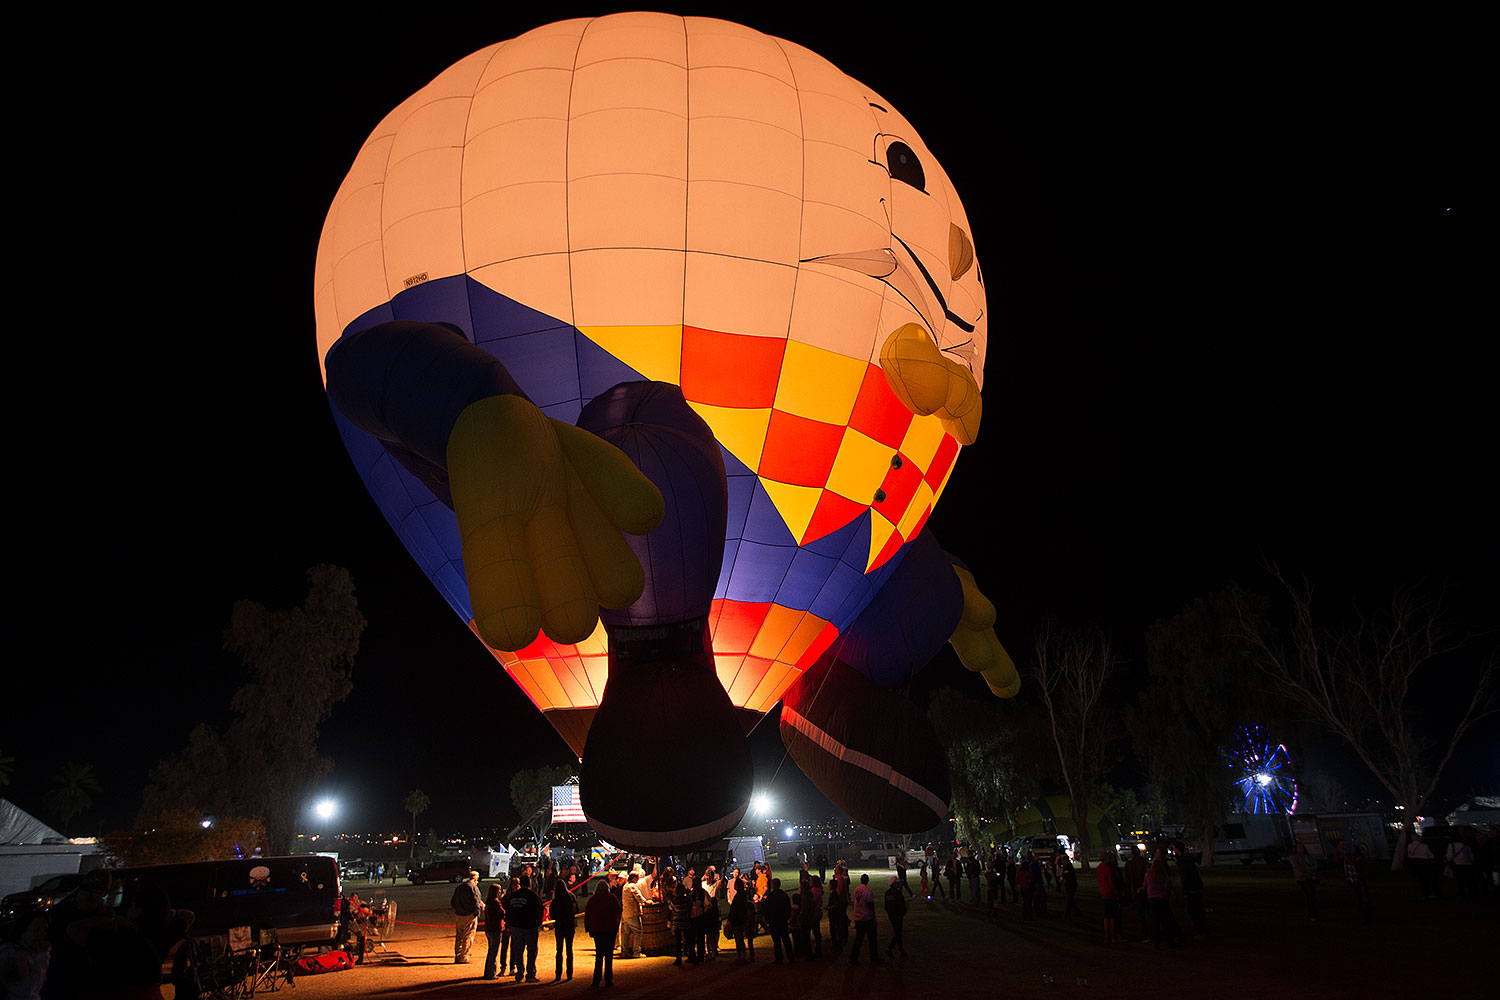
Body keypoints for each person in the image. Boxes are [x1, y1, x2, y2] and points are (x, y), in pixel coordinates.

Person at [0, 907, 49, 1000]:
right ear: (23, 929)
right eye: (37, 929)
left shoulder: (29, 951)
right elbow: (26, 991)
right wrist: (43, 956)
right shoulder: (10, 954)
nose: (42, 934)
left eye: (44, 929)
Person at [504, 873, 544, 981]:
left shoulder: (514, 896)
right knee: (531, 951)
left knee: (518, 951)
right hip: (530, 927)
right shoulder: (533, 895)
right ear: (529, 883)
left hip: (516, 927)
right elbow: (540, 910)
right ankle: (530, 974)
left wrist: (509, 923)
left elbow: (508, 911)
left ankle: (519, 973)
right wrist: (538, 923)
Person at [584, 875, 622, 988]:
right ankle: (608, 979)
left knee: (599, 956)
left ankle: (596, 980)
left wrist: (588, 928)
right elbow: (618, 910)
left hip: (598, 930)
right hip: (610, 929)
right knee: (608, 956)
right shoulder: (612, 898)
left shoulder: (593, 900)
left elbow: (588, 915)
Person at [1144, 850, 1185, 949]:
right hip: (1162, 899)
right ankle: (1170, 940)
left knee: (1155, 921)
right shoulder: (1163, 875)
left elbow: (1145, 886)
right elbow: (1168, 885)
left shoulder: (1148, 875)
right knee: (1166, 921)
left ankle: (1156, 942)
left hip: (1152, 900)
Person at [1170, 841, 1204, 937]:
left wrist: (1185, 890)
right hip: (1196, 886)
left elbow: (1185, 877)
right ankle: (1201, 929)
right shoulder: (1187, 859)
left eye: (1174, 848)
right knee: (1198, 909)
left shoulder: (1182, 862)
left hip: (1191, 888)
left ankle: (1199, 931)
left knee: (1193, 910)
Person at [451, 870, 482, 965]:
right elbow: (476, 902)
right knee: (468, 935)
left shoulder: (459, 887)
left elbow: (453, 902)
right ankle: (464, 956)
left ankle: (458, 954)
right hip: (469, 915)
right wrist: (477, 914)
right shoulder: (474, 888)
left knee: (459, 935)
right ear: (476, 878)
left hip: (459, 914)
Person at [848, 873, 880, 966]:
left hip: (858, 917)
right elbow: (871, 906)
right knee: (872, 939)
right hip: (867, 918)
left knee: (859, 938)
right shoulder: (868, 891)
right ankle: (874, 957)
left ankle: (853, 956)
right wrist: (874, 918)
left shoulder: (856, 890)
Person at [762, 878, 794, 964]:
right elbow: (788, 908)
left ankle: (779, 958)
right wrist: (787, 918)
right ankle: (790, 957)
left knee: (777, 941)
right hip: (782, 920)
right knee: (786, 939)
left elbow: (766, 909)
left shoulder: (771, 896)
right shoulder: (784, 895)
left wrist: (767, 919)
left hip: (774, 921)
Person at [552, 879, 578, 981]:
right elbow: (576, 909)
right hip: (569, 925)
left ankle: (558, 974)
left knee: (559, 950)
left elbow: (552, 914)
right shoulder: (571, 896)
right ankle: (569, 973)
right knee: (569, 950)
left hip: (559, 925)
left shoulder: (556, 900)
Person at [1341, 843, 1373, 924]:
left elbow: (1356, 866)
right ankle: (1365, 917)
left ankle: (1368, 917)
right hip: (1354, 881)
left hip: (1359, 881)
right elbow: (1347, 870)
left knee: (1364, 900)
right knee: (1359, 900)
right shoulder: (1348, 858)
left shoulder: (1358, 859)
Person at [1097, 852, 1124, 943]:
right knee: (1112, 916)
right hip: (1110, 894)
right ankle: (1113, 936)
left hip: (1104, 893)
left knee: (1107, 916)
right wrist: (1116, 893)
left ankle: (1107, 936)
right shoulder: (1108, 870)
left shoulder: (1100, 868)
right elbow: (1112, 883)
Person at [619, 869, 646, 959]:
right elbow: (638, 897)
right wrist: (646, 901)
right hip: (633, 913)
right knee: (638, 932)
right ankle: (636, 952)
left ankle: (625, 952)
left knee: (626, 933)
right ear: (634, 879)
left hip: (625, 913)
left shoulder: (625, 886)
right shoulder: (632, 887)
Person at [1289, 841, 1319, 920]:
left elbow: (1315, 865)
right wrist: (1310, 872)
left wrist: (1312, 872)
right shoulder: (1293, 857)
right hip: (1302, 878)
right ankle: (1312, 914)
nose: (1300, 848)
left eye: (1301, 847)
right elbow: (1298, 868)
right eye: (1299, 847)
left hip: (1310, 877)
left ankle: (1314, 912)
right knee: (1309, 895)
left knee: (1312, 895)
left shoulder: (1307, 856)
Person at [482, 883, 506, 979]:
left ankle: (490, 971)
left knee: (491, 951)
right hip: (495, 928)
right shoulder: (495, 903)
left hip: (489, 929)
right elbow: (502, 913)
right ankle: (490, 973)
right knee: (493, 952)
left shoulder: (489, 902)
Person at [1406, 832, 1437, 900]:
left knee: (1420, 879)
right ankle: (1429, 893)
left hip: (1416, 863)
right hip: (1425, 863)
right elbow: (1430, 855)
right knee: (1427, 879)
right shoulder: (1424, 846)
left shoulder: (1410, 846)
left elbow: (1409, 855)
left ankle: (1423, 894)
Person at [701, 867, 723, 961]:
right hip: (706, 910)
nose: (707, 878)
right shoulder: (703, 885)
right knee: (708, 932)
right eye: (706, 876)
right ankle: (709, 950)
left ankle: (714, 948)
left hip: (714, 910)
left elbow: (721, 883)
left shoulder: (715, 885)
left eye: (709, 876)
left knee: (715, 930)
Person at [883, 877, 908, 957]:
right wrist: (903, 912)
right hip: (898, 915)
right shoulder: (898, 893)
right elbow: (902, 905)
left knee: (898, 932)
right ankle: (890, 948)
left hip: (891, 915)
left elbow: (886, 906)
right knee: (898, 932)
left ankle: (901, 949)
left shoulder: (887, 893)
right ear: (894, 884)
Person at [824, 876, 849, 955]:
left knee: (834, 930)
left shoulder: (834, 894)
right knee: (836, 929)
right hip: (834, 915)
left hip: (834, 915)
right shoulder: (834, 894)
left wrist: (829, 907)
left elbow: (836, 904)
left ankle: (836, 944)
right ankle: (838, 943)